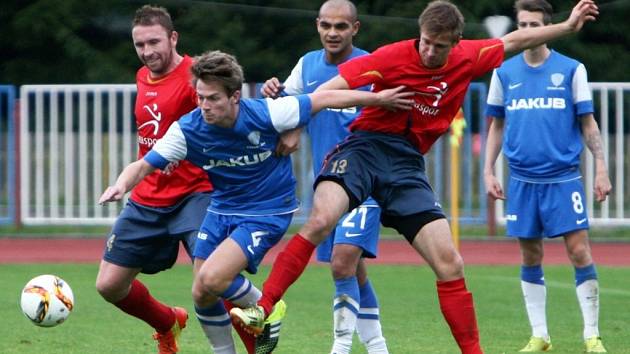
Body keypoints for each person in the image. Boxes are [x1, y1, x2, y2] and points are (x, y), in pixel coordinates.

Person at [230, 1, 600, 353]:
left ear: (455, 43)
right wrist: (376, 100)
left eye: (439, 47)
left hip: (406, 166)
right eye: (425, 42)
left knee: (450, 263)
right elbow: (327, 93)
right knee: (321, 220)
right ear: (418, 34)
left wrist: (566, 27)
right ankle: (264, 306)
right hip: (363, 149)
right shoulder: (392, 57)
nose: (428, 52)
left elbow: (514, 40)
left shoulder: (468, 57)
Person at [98, 50, 412, 354]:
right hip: (221, 209)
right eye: (200, 97)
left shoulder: (267, 112)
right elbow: (143, 165)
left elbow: (324, 98)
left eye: (214, 98)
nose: (205, 106)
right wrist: (120, 185)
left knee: (212, 278)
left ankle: (269, 307)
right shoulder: (188, 129)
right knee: (201, 292)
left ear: (235, 96)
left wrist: (378, 99)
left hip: (267, 211)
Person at [260, 1, 388, 353]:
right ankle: (378, 347)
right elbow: (289, 107)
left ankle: (340, 347)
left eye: (341, 27)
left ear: (355, 28)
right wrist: (272, 91)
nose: (333, 33)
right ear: (317, 25)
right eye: (327, 26)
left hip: (366, 182)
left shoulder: (372, 65)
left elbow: (389, 115)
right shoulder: (306, 65)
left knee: (343, 260)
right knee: (354, 269)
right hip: (329, 185)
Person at [483, 0, 610, 352]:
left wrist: (601, 167)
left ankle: (591, 335)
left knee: (579, 251)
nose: (527, 32)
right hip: (522, 181)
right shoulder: (503, 72)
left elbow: (588, 123)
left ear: (548, 26)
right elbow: (496, 125)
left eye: (534, 24)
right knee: (530, 255)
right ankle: (540, 335)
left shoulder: (571, 70)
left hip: (563, 179)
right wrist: (488, 170)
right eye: (522, 25)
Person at [94, 5, 213, 354]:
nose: (147, 52)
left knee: (210, 279)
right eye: (140, 45)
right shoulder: (143, 76)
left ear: (173, 37)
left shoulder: (196, 77)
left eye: (154, 42)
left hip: (195, 193)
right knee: (109, 286)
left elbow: (217, 128)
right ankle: (166, 323)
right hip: (148, 196)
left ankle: (253, 326)